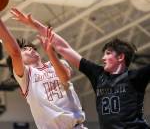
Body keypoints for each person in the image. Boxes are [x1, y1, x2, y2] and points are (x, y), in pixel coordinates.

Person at [10, 8, 150, 129]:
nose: (103, 58)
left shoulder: (135, 77)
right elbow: (64, 47)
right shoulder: (97, 74)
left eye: (108, 53)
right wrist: (34, 24)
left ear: (121, 57)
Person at [0, 15, 87, 129]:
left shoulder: (56, 63)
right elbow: (15, 52)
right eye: (24, 49)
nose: (30, 49)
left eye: (31, 48)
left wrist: (51, 53)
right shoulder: (26, 76)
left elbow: (65, 77)